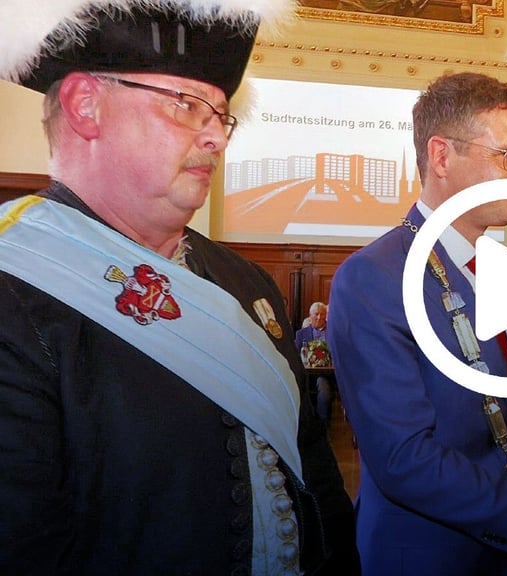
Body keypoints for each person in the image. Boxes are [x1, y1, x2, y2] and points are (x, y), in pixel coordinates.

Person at [0, 1, 359, 574]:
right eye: (189, 107)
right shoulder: (12, 286)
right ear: (86, 106)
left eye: (221, 115)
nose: (217, 137)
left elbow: (313, 469)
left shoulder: (249, 283)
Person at [327, 71, 507, 576]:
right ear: (441, 157)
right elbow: (405, 460)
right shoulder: (373, 278)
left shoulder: (496, 269)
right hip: (422, 557)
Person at [295, 301, 336, 422]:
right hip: (305, 374)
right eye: (316, 314)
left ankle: (322, 426)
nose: (319, 317)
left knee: (324, 391)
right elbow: (296, 356)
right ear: (310, 316)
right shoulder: (301, 334)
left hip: (326, 374)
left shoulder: (333, 333)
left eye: (322, 314)